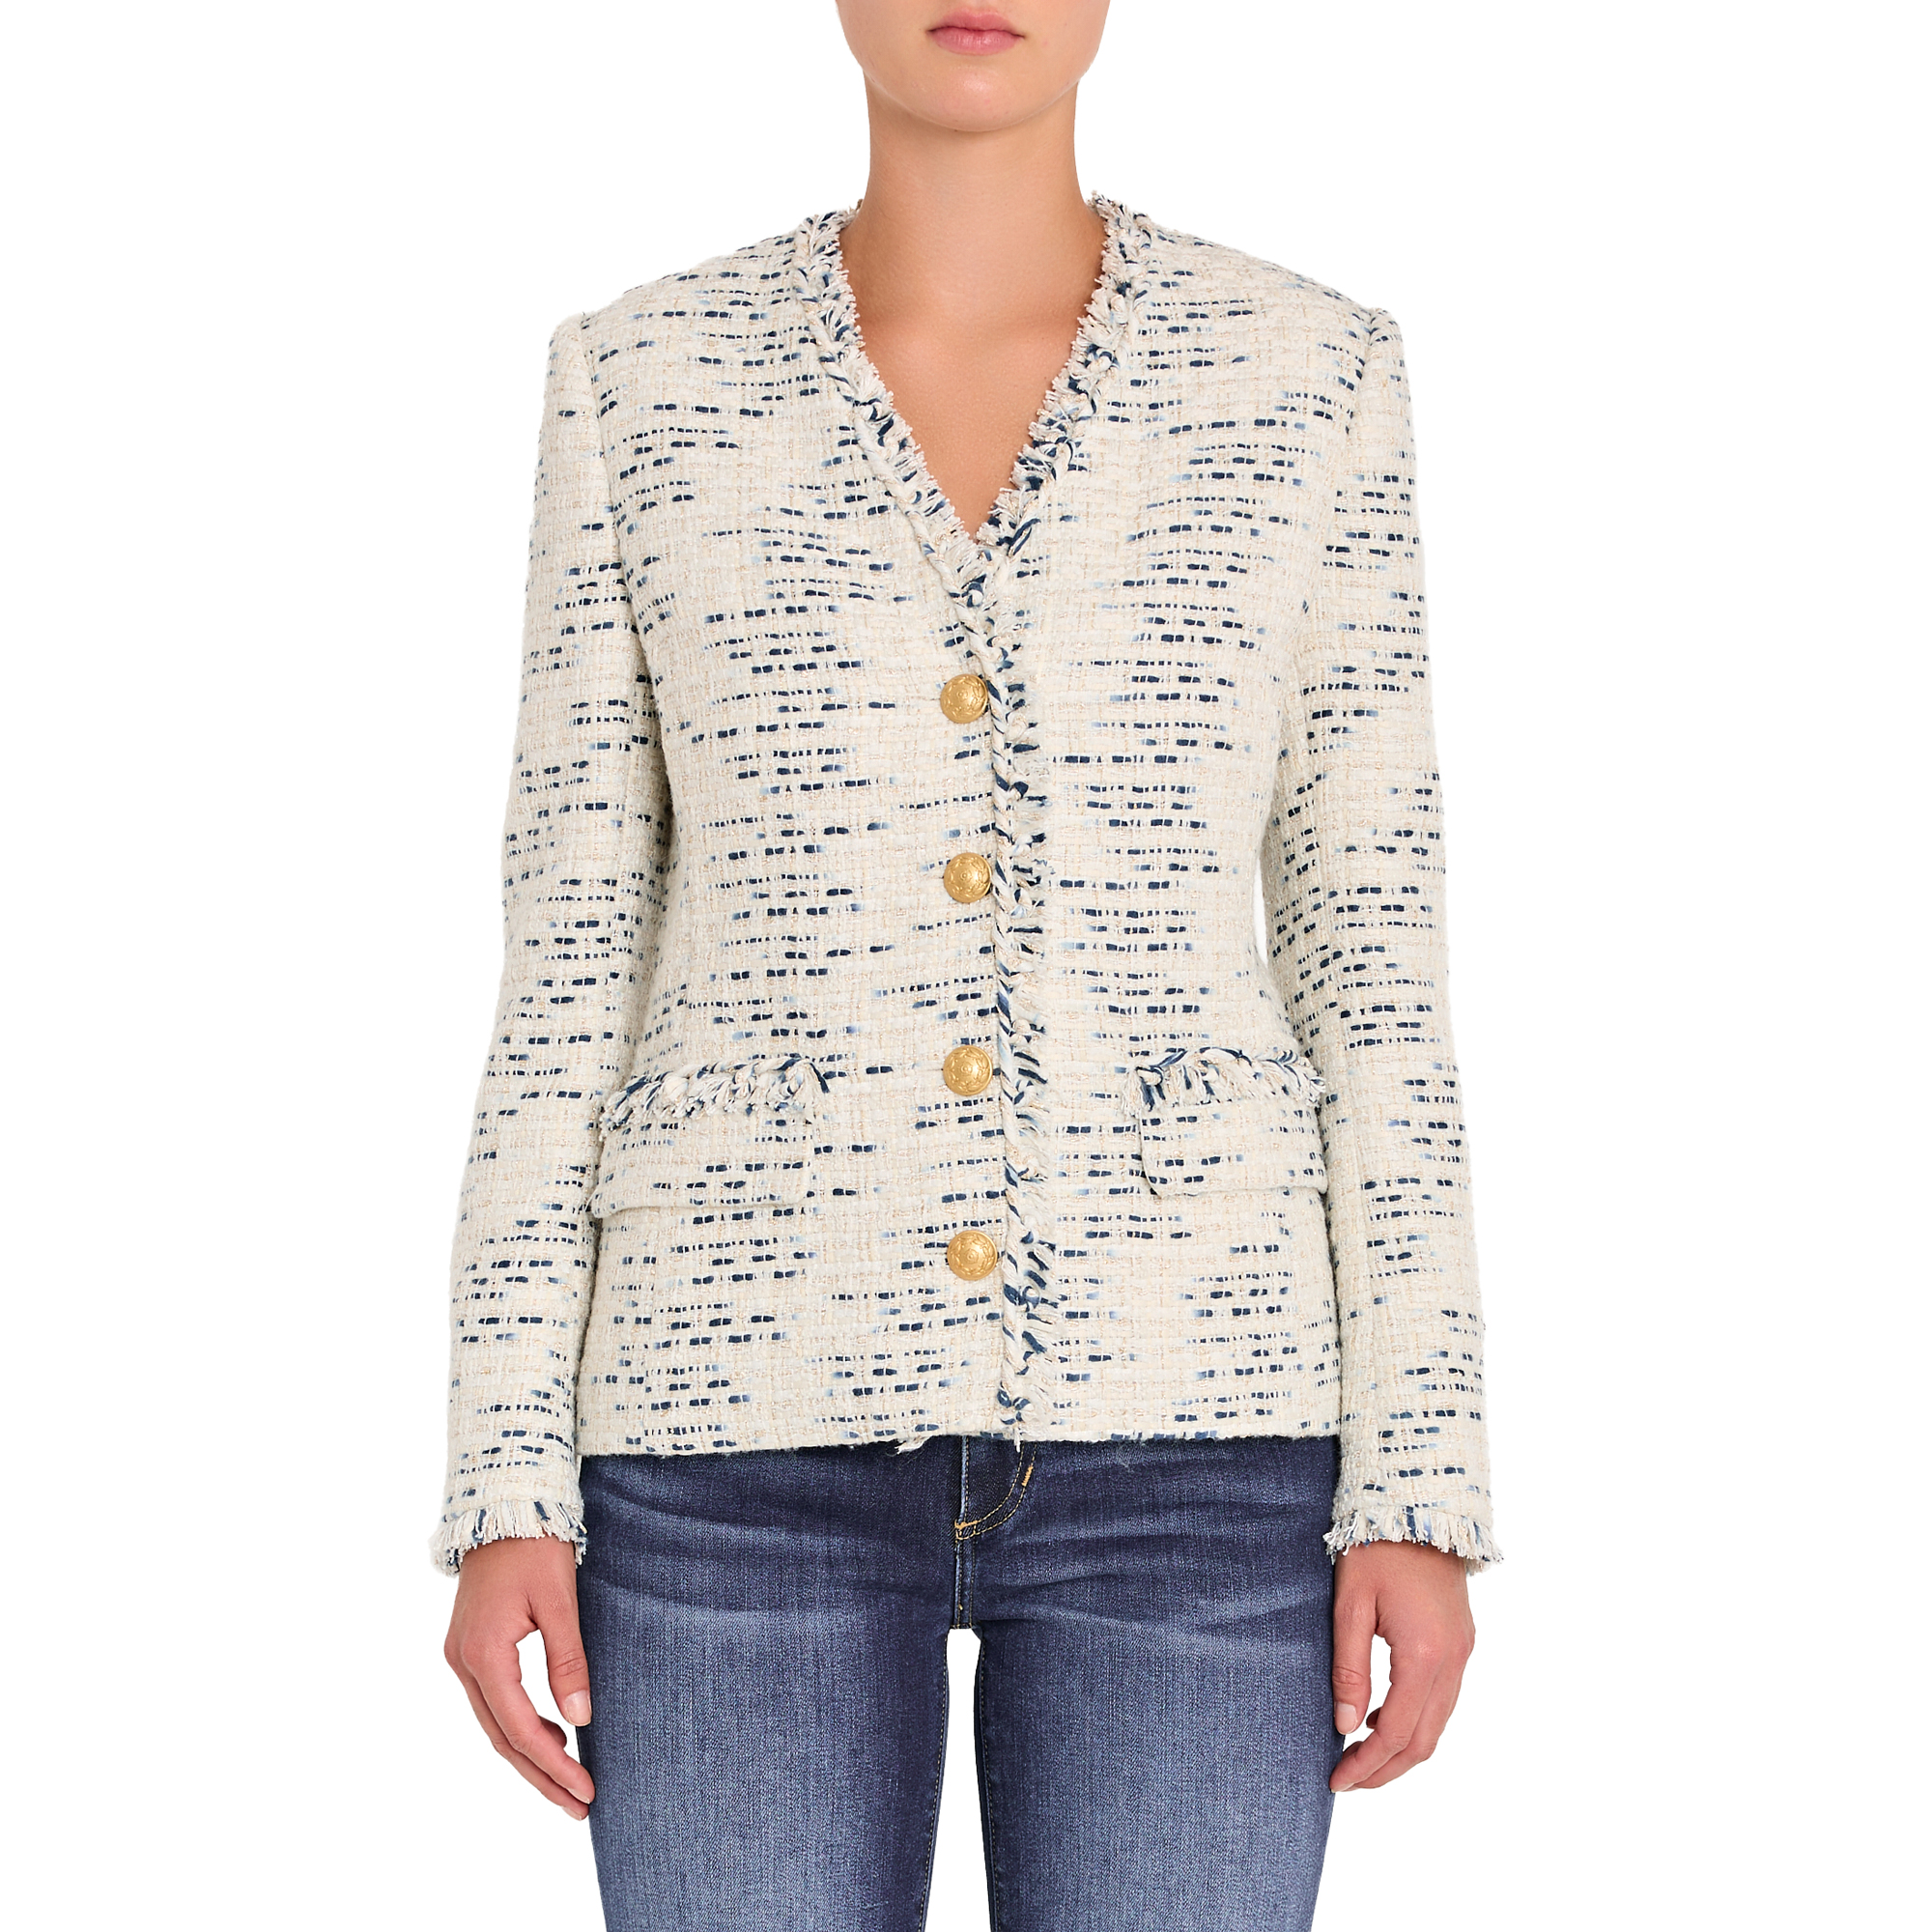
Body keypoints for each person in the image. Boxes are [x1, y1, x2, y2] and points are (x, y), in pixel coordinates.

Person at [435, 4, 1501, 1926]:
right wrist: (506, 1470)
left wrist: (1417, 1479)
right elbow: (570, 955)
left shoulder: (1306, 374)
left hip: (1201, 1429)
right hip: (725, 1431)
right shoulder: (641, 381)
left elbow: (1373, 953)